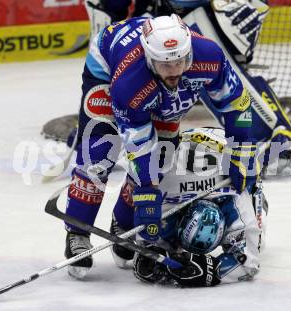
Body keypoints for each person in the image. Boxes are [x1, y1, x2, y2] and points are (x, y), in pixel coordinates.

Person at [64, 14, 263, 279]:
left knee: (163, 160)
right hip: (106, 70)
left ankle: (122, 223)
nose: (175, 71)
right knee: (99, 155)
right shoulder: (129, 83)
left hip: (151, 87)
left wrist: (242, 150)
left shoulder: (208, 56)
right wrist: (147, 192)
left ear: (188, 51)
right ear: (149, 58)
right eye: (166, 65)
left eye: (180, 61)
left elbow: (236, 103)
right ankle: (77, 233)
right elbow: (138, 141)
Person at [113, 127, 269, 287]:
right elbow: (137, 172)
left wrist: (209, 271)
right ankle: (119, 221)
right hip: (182, 160)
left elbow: (250, 263)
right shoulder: (165, 198)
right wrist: (150, 253)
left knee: (257, 234)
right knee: (124, 251)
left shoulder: (234, 202)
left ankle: (256, 195)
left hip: (220, 158)